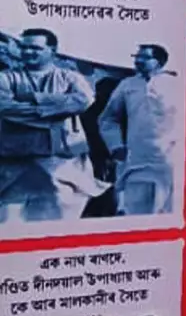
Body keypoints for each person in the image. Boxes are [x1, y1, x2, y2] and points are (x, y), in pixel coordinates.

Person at [0, 29, 110, 223]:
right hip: (16, 165)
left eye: (35, 48)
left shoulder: (70, 77)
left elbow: (83, 101)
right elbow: (5, 107)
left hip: (63, 165)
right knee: (10, 222)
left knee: (58, 223)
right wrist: (55, 113)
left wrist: (37, 98)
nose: (28, 52)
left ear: (52, 50)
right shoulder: (6, 78)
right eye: (24, 47)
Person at [99, 45, 182, 216]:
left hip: (171, 159)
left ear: (159, 62)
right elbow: (108, 118)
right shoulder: (127, 84)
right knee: (135, 211)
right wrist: (115, 146)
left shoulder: (177, 84)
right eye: (136, 56)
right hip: (136, 159)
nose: (138, 61)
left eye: (144, 57)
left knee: (169, 211)